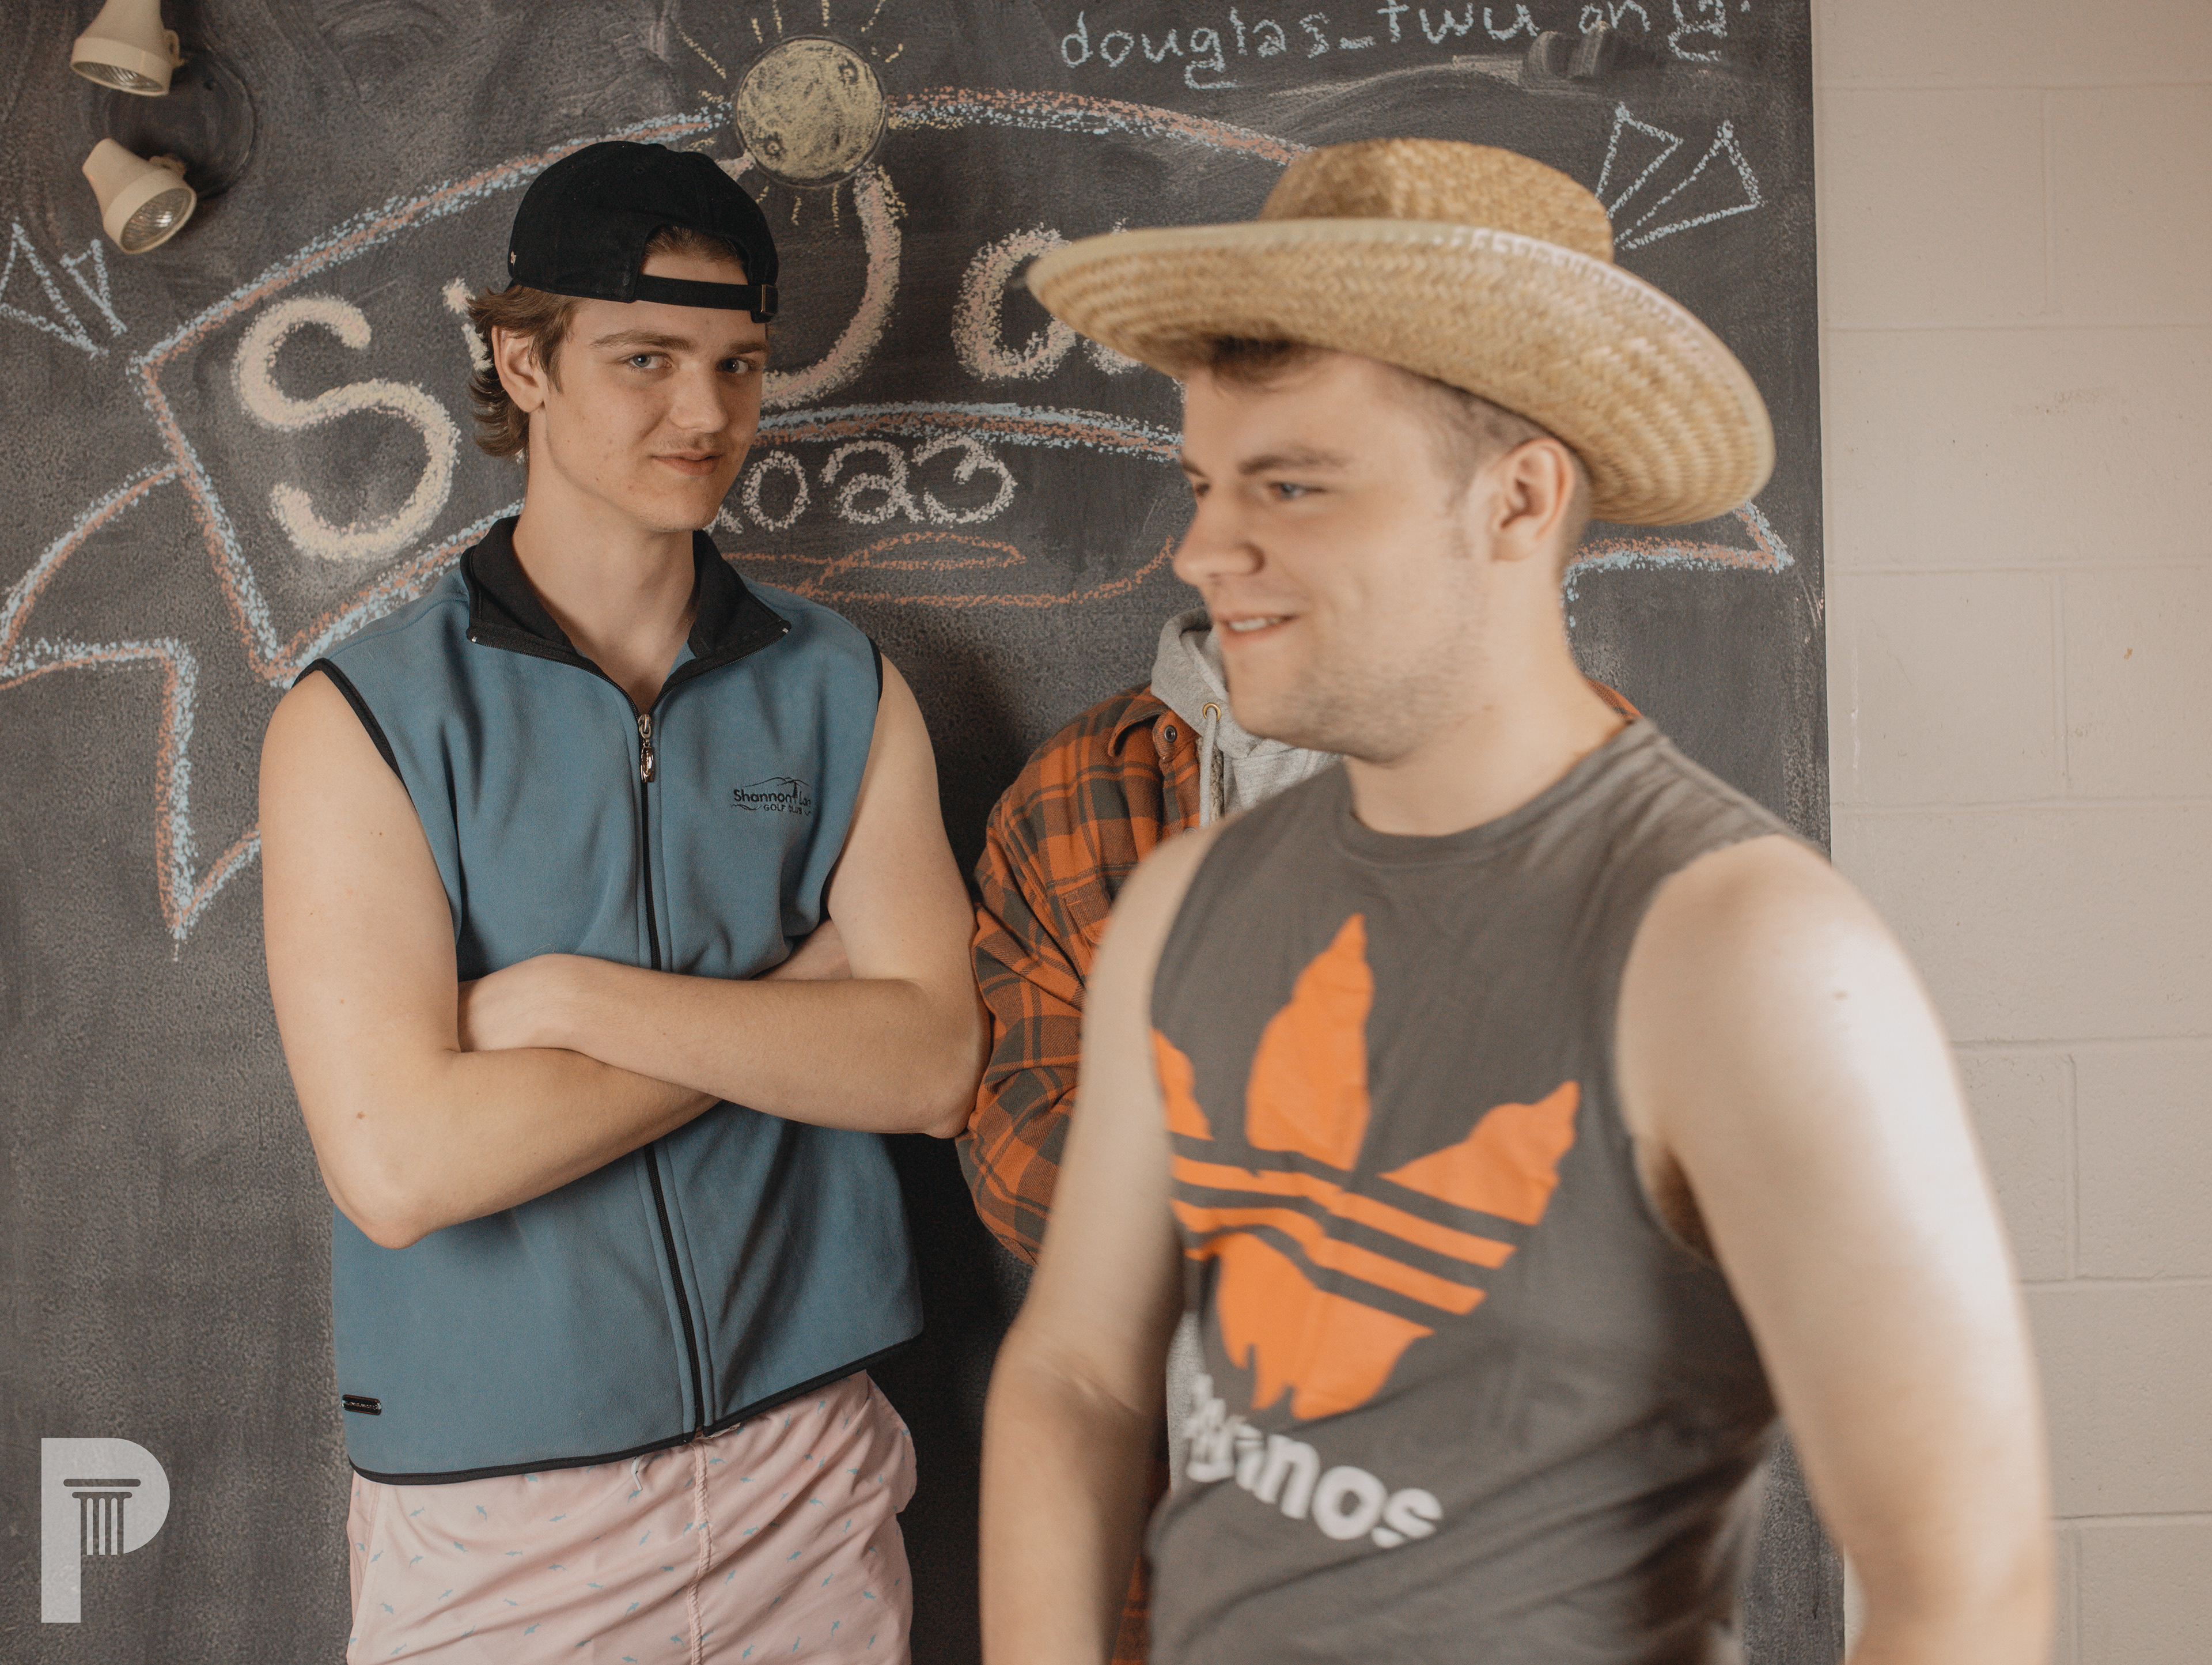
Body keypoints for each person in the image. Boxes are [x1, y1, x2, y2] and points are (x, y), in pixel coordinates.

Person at [978, 139, 2050, 1664]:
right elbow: (1077, 1376)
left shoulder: (1745, 952)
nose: (1205, 549)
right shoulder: (1180, 906)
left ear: (1519, 500)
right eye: (1206, 484)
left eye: (1293, 485)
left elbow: (1968, 1591)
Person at [259, 141, 984, 1663]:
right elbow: (400, 1164)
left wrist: (571, 1000)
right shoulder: (360, 721)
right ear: (524, 362)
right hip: (496, 1510)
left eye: (738, 363)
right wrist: (795, 1005)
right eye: (645, 358)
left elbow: (929, 1066)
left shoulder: (842, 684)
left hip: (807, 1466)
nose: (707, 413)